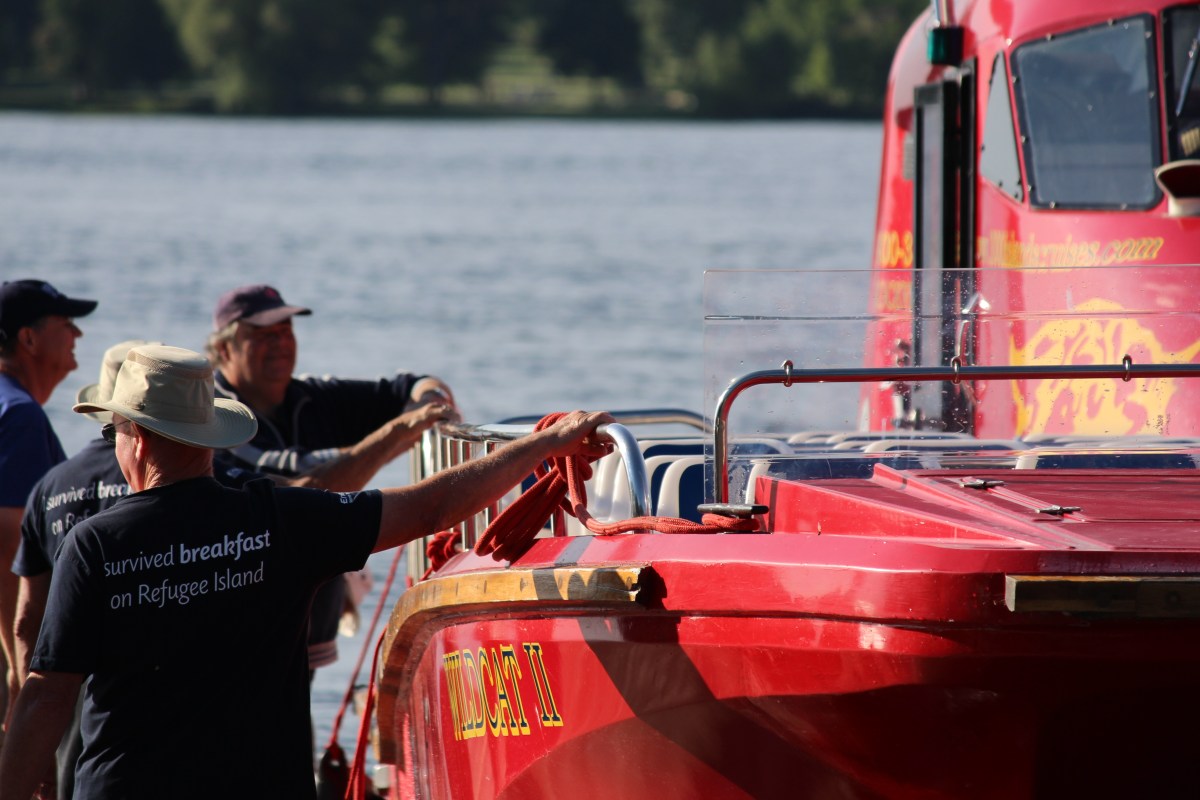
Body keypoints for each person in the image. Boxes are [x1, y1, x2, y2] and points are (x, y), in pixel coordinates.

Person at [0, 344, 610, 799]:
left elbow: (45, 698)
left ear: (132, 437)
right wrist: (546, 445)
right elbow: (430, 507)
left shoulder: (93, 546)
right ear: (209, 438)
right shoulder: (282, 518)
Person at [205, 284, 457, 673]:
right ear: (224, 349)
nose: (281, 344)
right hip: (243, 629)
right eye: (263, 335)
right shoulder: (215, 420)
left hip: (301, 625)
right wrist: (398, 432)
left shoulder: (310, 396)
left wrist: (430, 399)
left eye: (286, 331)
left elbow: (411, 385)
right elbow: (304, 485)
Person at [12, 339, 151, 800]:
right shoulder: (168, 483)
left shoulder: (50, 487)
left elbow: (26, 624)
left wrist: (26, 726)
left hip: (65, 693)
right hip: (145, 694)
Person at [0, 279, 96, 729]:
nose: (77, 335)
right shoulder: (20, 415)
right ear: (28, 338)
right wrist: (22, 672)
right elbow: (8, 549)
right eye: (66, 323)